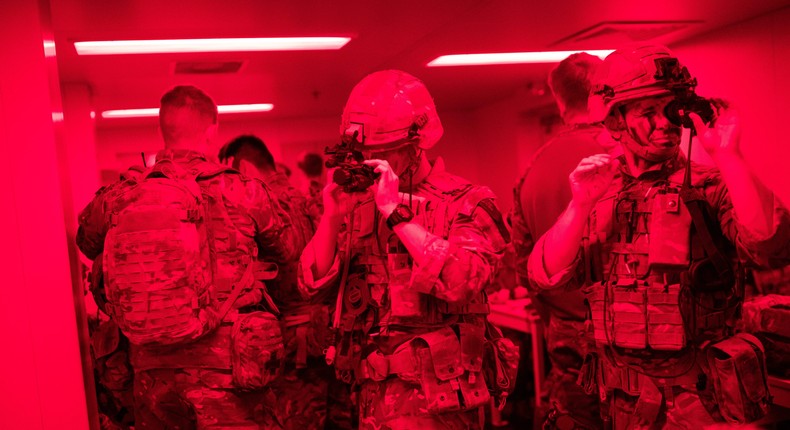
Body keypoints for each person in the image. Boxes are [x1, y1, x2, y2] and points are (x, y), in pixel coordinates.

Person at [528, 44, 790, 428]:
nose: (665, 123)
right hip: (622, 405)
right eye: (647, 112)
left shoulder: (708, 185)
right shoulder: (600, 191)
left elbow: (772, 246)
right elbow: (544, 274)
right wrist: (579, 205)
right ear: (615, 121)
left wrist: (730, 156)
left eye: (669, 109)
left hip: (703, 402)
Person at [77, 85, 303, 429]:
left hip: (151, 370)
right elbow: (289, 250)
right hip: (228, 372)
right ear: (212, 130)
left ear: (161, 130)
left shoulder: (123, 195)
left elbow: (85, 241)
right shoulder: (240, 190)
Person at [298, 70, 514, 429]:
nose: (368, 161)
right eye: (362, 153)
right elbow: (312, 284)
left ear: (416, 145)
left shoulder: (467, 202)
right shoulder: (357, 206)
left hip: (441, 404)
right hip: (371, 398)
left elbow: (463, 280)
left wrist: (396, 214)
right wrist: (331, 217)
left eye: (381, 153)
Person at [219, 134, 353, 429]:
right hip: (333, 342)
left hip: (291, 353)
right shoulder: (310, 199)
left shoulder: (262, 209)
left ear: (244, 168)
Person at [511, 52, 612, 429]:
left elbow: (524, 267)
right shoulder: (625, 156)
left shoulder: (533, 169)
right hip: (639, 340)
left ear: (558, 98)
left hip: (567, 338)